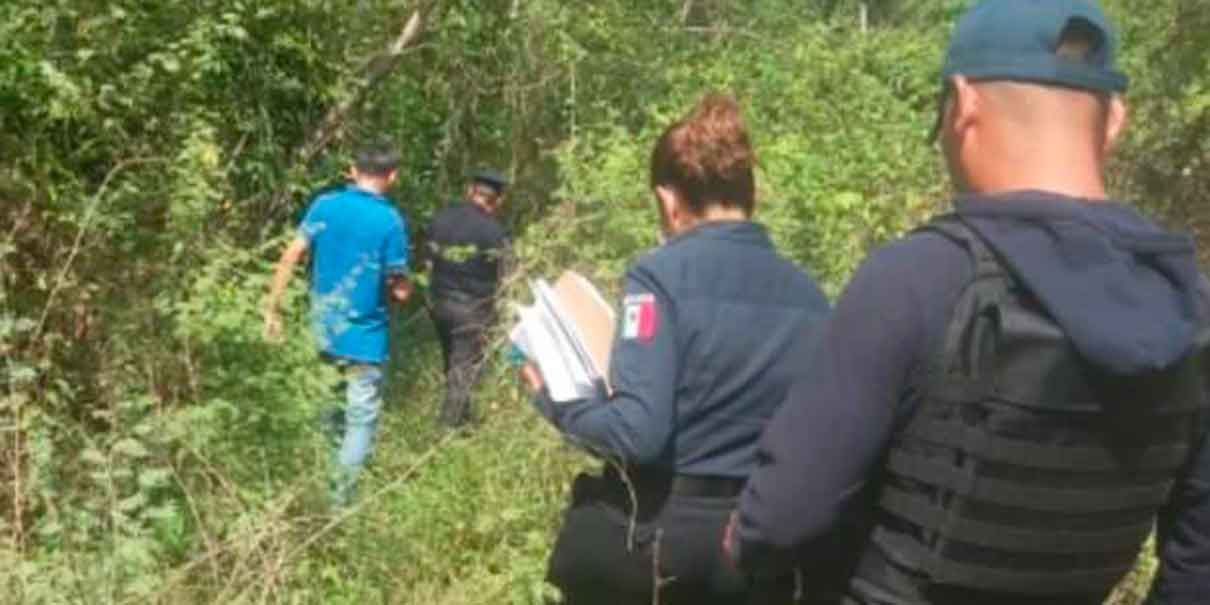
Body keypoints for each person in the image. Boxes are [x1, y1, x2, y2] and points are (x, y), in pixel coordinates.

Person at [725, 2, 1210, 604]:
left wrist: (739, 537)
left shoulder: (913, 280)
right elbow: (1199, 564)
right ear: (1114, 120)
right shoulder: (1190, 304)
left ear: (964, 104)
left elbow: (779, 521)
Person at [520, 93, 831, 605]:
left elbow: (637, 434)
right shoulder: (809, 294)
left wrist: (559, 403)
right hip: (758, 550)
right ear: (749, 193)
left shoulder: (659, 277)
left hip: (664, 544)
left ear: (668, 200)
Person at [263, 142, 412, 508]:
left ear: (351, 169)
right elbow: (399, 286)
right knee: (359, 419)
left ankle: (322, 480)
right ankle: (340, 504)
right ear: (392, 176)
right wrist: (402, 289)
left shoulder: (324, 206)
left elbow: (291, 255)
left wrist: (272, 309)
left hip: (321, 330)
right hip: (366, 339)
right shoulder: (390, 221)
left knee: (327, 411)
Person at [424, 169, 511, 428]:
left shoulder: (440, 219)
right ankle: (445, 434)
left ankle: (463, 424)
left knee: (451, 365)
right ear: (496, 201)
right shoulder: (495, 232)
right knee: (462, 372)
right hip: (473, 311)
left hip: (439, 304)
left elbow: (427, 262)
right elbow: (505, 277)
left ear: (469, 191)